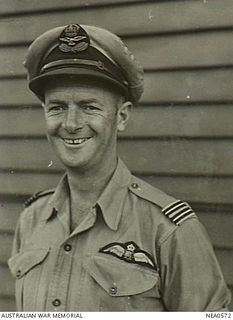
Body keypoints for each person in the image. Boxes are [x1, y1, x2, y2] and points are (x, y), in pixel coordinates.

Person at [8, 23, 231, 312]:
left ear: (122, 117)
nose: (71, 124)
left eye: (89, 107)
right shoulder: (30, 220)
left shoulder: (169, 230)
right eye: (57, 107)